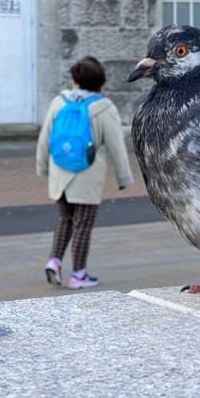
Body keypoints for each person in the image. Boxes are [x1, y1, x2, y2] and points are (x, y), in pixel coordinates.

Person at [36, 56, 133, 289]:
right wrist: (124, 177)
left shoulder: (58, 102)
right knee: (82, 225)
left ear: (74, 79)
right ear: (100, 82)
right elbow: (116, 145)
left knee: (64, 219)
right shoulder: (103, 108)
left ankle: (54, 260)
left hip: (60, 173)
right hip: (87, 176)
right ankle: (78, 274)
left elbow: (45, 138)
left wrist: (42, 167)